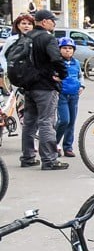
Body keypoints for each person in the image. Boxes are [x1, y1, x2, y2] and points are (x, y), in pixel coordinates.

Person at [20, 10, 69, 170]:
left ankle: (27, 157)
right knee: (47, 121)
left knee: (29, 123)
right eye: (52, 21)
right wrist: (62, 74)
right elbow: (56, 59)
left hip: (28, 85)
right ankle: (49, 160)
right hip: (45, 86)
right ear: (44, 22)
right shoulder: (47, 38)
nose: (54, 23)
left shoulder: (26, 37)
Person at [55, 37, 84, 157]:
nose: (67, 50)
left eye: (70, 48)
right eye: (65, 48)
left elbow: (80, 75)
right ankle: (53, 144)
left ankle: (68, 147)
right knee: (64, 120)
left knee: (71, 122)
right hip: (61, 94)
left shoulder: (76, 62)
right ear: (60, 49)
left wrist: (82, 86)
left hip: (74, 95)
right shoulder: (57, 62)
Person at [0, 12, 37, 98]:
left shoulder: (37, 40)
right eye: (23, 23)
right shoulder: (12, 40)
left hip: (34, 78)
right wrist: (7, 69)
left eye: (29, 24)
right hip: (16, 77)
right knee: (20, 103)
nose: (26, 26)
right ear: (18, 25)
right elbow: (2, 55)